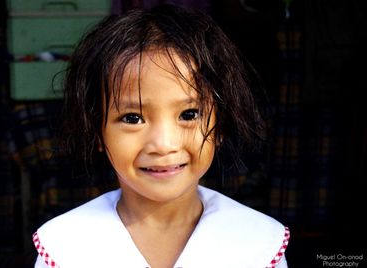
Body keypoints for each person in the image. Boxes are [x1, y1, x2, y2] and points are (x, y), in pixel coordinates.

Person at [32, 4, 290, 268]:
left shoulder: (257, 244)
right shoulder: (65, 247)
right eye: (133, 118)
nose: (164, 144)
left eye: (189, 114)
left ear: (220, 124)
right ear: (96, 130)